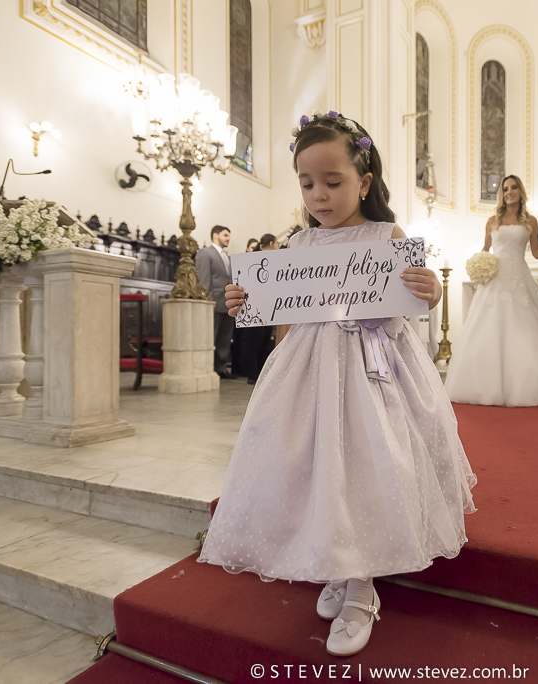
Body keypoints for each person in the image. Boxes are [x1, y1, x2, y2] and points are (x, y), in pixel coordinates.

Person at [198, 112, 476, 658]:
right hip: (309, 370)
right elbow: (283, 317)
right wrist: (245, 303)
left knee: (367, 462)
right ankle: (337, 560)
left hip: (376, 367)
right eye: (307, 184)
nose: (319, 195)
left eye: (333, 182)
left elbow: (413, 301)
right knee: (318, 465)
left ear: (364, 182)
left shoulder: (386, 236)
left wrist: (431, 290)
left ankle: (361, 585)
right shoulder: (298, 246)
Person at [444, 175, 538, 406]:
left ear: (520, 191)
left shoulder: (531, 221)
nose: (509, 192)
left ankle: (524, 386)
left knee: (523, 331)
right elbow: (486, 250)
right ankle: (483, 385)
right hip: (494, 281)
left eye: (514, 187)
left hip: (520, 279)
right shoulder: (492, 221)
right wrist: (480, 267)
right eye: (505, 189)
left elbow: (536, 252)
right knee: (488, 329)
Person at [233, 233, 279, 384]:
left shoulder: (274, 260)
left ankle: (260, 372)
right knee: (254, 341)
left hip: (268, 303)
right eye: (277, 243)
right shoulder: (254, 258)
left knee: (265, 341)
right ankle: (252, 373)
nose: (278, 247)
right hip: (255, 304)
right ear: (271, 243)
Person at [195, 225, 235, 378]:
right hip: (214, 302)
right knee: (211, 336)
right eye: (225, 235)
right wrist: (207, 301)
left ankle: (221, 368)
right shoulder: (205, 253)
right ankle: (207, 368)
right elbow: (203, 279)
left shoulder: (227, 256)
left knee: (225, 338)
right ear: (216, 235)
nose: (228, 238)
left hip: (227, 303)